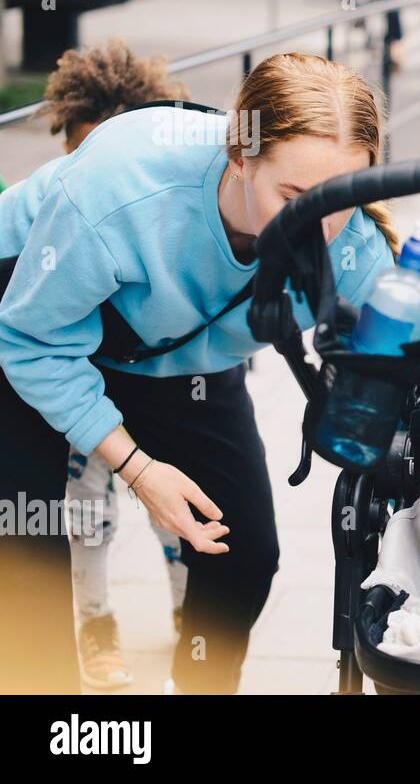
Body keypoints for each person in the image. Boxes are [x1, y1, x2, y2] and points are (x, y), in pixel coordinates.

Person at [0, 53, 398, 694]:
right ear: (240, 158)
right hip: (36, 325)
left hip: (175, 355)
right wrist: (139, 469)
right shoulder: (121, 189)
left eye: (341, 199)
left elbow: (412, 344)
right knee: (25, 552)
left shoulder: (348, 241)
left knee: (245, 555)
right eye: (294, 198)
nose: (318, 228)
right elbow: (27, 341)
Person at [34, 38, 193, 690]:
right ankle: (97, 624)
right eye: (79, 155)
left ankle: (190, 614)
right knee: (85, 503)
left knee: (176, 508)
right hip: (90, 386)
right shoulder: (51, 205)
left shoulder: (172, 215)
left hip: (168, 381)